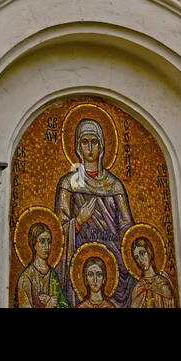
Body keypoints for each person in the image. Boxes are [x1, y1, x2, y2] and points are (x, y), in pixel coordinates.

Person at [55, 118, 134, 306]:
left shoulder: (115, 186)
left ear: (102, 146)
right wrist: (79, 220)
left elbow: (127, 228)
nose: (90, 148)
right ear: (77, 147)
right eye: (84, 142)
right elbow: (59, 232)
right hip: (80, 266)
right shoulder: (68, 184)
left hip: (113, 265)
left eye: (94, 142)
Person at [14, 222, 68, 308]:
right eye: (42, 241)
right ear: (34, 244)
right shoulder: (26, 278)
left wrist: (55, 303)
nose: (47, 246)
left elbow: (64, 305)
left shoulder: (53, 275)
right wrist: (49, 306)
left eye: (49, 242)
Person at [128, 236, 176, 308]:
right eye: (136, 257)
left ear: (149, 252)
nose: (140, 260)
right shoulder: (138, 288)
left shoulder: (162, 283)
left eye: (142, 253)